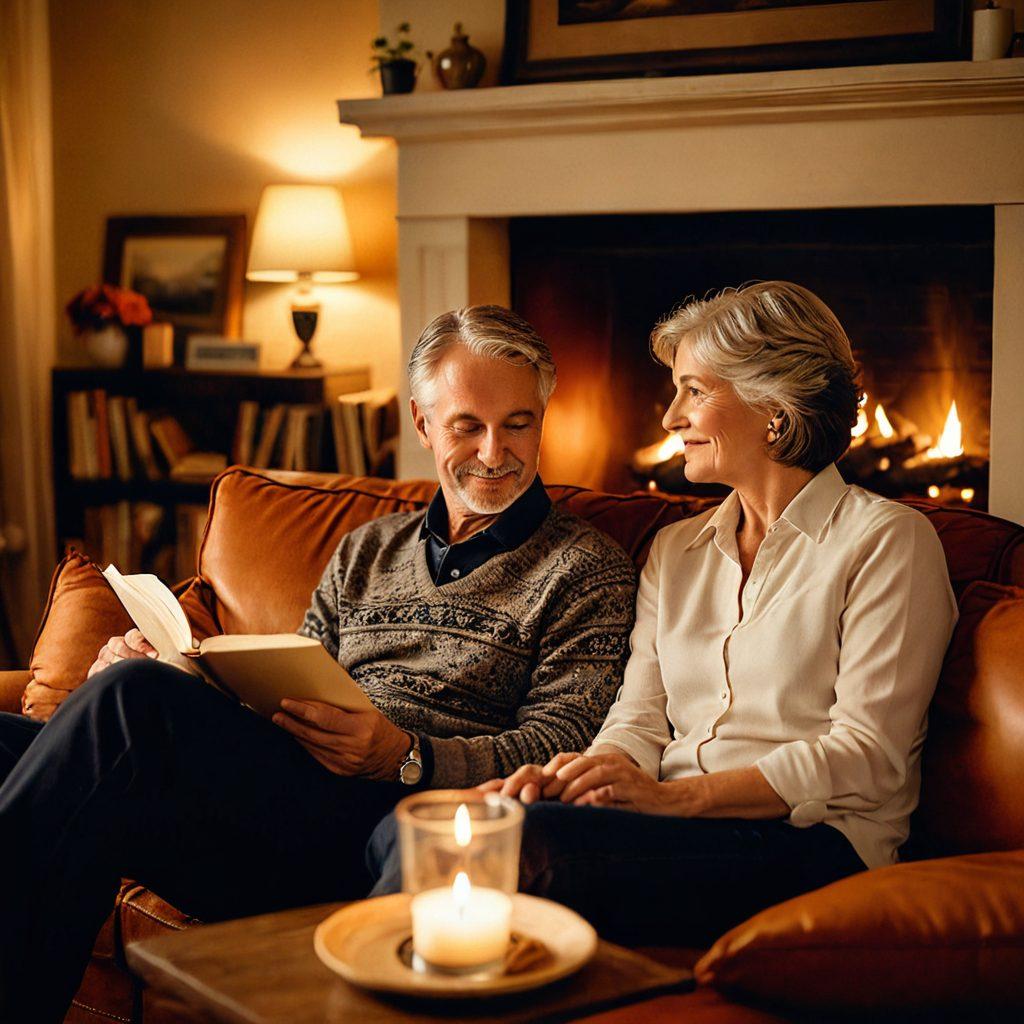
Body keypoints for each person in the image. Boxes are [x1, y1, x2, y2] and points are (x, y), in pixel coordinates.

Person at [0, 305, 636, 1022]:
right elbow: (288, 680)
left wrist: (406, 757)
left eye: (518, 424)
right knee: (32, 730)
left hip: (387, 830)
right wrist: (182, 675)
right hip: (279, 802)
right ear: (423, 424)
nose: (495, 452)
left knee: (128, 705)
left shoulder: (586, 569)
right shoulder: (367, 549)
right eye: (468, 426)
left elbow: (563, 743)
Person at [367, 282, 958, 947]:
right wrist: (580, 779)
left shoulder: (887, 542)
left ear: (774, 407)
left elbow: (868, 755)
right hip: (673, 829)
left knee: (524, 848)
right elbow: (639, 718)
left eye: (694, 391)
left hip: (812, 845)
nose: (672, 416)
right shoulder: (677, 550)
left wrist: (673, 799)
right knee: (414, 830)